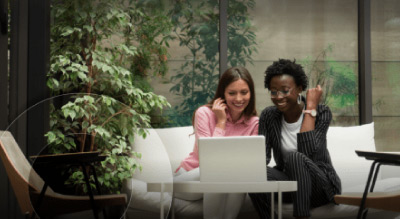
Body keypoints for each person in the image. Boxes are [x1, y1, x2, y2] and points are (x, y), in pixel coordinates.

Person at [249, 59, 341, 219]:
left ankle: (301, 216)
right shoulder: (269, 116)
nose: (278, 97)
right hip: (289, 183)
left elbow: (307, 152)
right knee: (251, 173)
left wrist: (310, 107)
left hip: (321, 187)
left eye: (285, 91)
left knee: (296, 157)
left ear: (299, 88)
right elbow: (262, 158)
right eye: (273, 91)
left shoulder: (322, 112)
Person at [174, 66, 259, 219]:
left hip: (225, 180)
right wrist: (221, 122)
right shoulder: (205, 113)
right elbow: (208, 159)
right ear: (223, 94)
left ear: (251, 93)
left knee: (238, 172)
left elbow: (248, 164)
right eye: (232, 93)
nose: (239, 99)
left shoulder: (254, 123)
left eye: (244, 92)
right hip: (189, 180)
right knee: (218, 170)